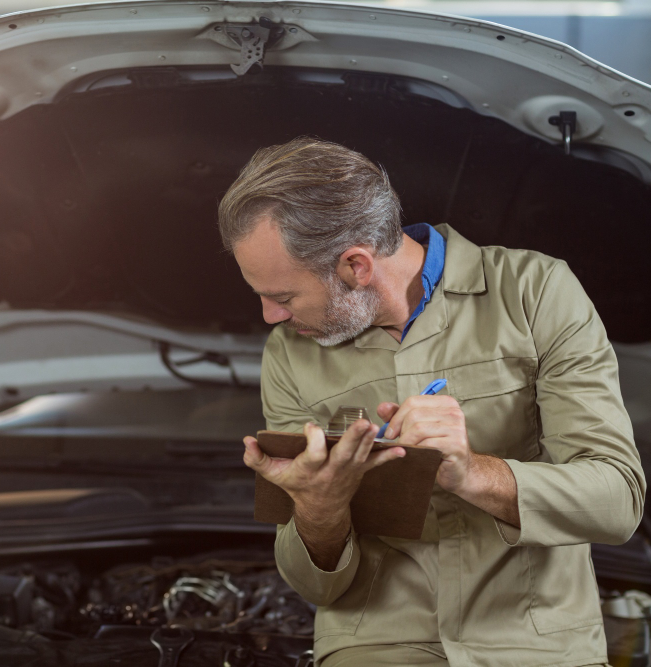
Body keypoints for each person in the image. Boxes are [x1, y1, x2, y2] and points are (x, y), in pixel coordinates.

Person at [218, 137, 644, 667]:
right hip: (375, 647)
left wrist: (472, 473)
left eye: (283, 297)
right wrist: (318, 510)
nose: (270, 319)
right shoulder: (288, 355)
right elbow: (314, 587)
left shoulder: (535, 292)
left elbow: (617, 502)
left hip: (536, 645)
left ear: (356, 266)